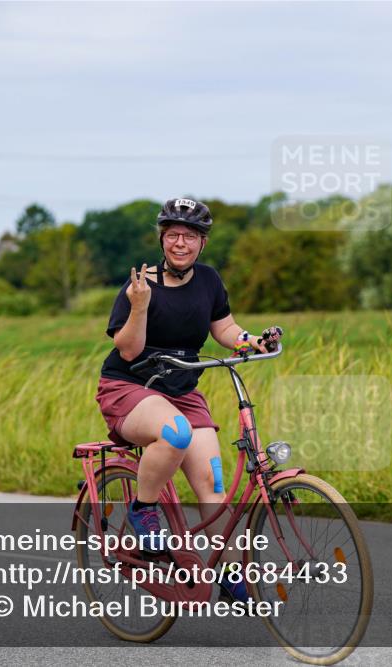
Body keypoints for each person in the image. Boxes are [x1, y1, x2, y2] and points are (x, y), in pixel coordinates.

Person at [95, 197, 282, 603]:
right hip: (131, 387)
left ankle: (232, 576)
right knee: (175, 434)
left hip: (181, 387)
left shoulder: (209, 281)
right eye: (173, 235)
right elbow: (128, 350)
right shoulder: (139, 284)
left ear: (202, 243)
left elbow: (225, 328)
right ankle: (144, 509)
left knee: (213, 486)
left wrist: (251, 341)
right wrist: (139, 307)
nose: (181, 243)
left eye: (191, 236)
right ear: (162, 240)